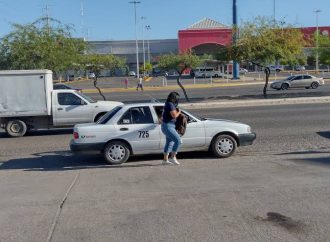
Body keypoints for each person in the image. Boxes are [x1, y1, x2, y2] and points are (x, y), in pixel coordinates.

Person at [161, 92, 182, 165]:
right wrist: (179, 112)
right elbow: (174, 115)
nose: (178, 100)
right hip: (168, 126)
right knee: (178, 140)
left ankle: (165, 160)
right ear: (174, 98)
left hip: (168, 126)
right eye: (177, 98)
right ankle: (173, 157)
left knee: (169, 143)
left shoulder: (168, 103)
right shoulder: (170, 104)